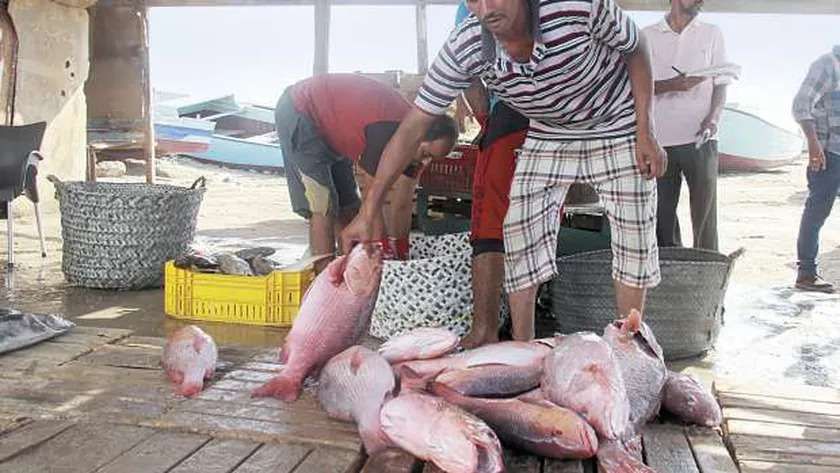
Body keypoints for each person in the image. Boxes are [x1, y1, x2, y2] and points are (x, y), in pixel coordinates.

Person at [342, 0, 666, 342]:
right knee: (519, 230)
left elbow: (637, 47)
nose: (486, 7)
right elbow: (410, 130)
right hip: (547, 131)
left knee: (634, 234)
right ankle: (522, 347)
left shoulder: (577, 7)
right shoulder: (465, 44)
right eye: (475, 0)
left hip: (616, 122)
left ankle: (628, 343)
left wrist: (646, 130)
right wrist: (369, 210)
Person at [274, 73, 458, 269]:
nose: (425, 161)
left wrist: (401, 254)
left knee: (350, 208)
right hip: (301, 110)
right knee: (323, 206)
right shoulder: (386, 132)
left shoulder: (415, 148)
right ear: (419, 135)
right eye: (425, 153)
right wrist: (383, 243)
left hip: (333, 132)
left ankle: (351, 271)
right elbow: (372, 198)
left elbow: (402, 204)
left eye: (431, 158)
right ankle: (324, 281)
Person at [453, 3, 530, 348]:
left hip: (512, 116)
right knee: (534, 226)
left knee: (489, 227)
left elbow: (468, 71)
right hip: (559, 121)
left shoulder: (471, 7)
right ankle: (521, 336)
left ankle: (484, 331)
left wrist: (486, 119)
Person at [643, 0, 730, 251]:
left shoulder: (712, 33)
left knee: (705, 218)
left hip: (701, 138)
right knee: (662, 217)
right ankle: (671, 272)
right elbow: (635, 86)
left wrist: (713, 119)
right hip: (659, 140)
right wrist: (673, 85)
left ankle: (706, 271)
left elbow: (722, 82)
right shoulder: (647, 36)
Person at [791, 45, 840, 293]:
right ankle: (806, 274)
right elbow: (801, 104)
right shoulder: (828, 65)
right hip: (828, 154)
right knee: (817, 213)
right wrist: (813, 144)